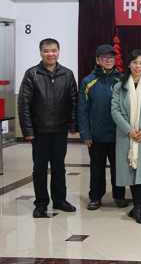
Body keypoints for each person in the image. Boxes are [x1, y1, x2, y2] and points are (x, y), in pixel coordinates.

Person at [18, 38, 78, 218]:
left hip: (60, 129)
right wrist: (28, 130)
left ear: (58, 52)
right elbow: (24, 104)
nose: (50, 54)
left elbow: (73, 101)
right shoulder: (32, 74)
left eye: (53, 50)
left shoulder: (67, 74)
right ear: (41, 53)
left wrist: (73, 124)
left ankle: (60, 200)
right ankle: (41, 203)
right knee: (40, 169)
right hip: (39, 131)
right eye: (46, 51)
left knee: (59, 167)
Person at [111, 50, 141, 224]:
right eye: (135, 62)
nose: (138, 66)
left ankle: (139, 206)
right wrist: (129, 130)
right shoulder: (120, 87)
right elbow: (115, 111)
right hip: (128, 136)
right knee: (132, 171)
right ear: (129, 64)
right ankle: (138, 207)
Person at [78, 44, 127, 211]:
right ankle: (95, 197)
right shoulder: (88, 81)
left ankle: (119, 196)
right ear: (97, 60)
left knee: (118, 168)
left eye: (112, 57)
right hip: (96, 135)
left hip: (118, 135)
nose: (108, 60)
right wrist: (85, 133)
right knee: (96, 169)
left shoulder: (122, 80)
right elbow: (82, 110)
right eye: (105, 57)